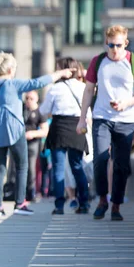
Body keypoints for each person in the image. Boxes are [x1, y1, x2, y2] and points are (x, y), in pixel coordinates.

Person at [0, 51, 73, 217]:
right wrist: (59, 73)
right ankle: (20, 203)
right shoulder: (14, 84)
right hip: (15, 131)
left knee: (0, 168)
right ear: (10, 70)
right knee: (22, 166)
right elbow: (38, 82)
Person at [76, 25, 134, 221]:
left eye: (118, 45)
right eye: (110, 45)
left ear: (125, 43)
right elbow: (88, 90)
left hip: (125, 121)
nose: (114, 49)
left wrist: (127, 102)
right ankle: (102, 200)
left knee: (121, 165)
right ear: (105, 43)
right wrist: (82, 118)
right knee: (100, 159)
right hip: (102, 118)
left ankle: (116, 205)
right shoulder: (98, 61)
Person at [40, 57, 90, 215]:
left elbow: (43, 110)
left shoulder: (55, 89)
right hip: (77, 127)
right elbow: (88, 112)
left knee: (58, 169)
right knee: (77, 167)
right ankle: (84, 204)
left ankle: (59, 206)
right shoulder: (83, 87)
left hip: (59, 128)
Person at [22, 90, 48, 202]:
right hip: (20, 142)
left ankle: (31, 192)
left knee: (31, 168)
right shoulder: (22, 110)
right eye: (27, 98)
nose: (28, 101)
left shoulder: (40, 112)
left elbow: (45, 131)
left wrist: (32, 134)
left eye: (31, 98)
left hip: (33, 143)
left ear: (36, 99)